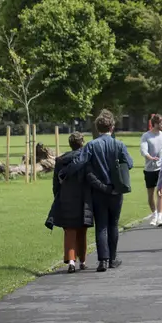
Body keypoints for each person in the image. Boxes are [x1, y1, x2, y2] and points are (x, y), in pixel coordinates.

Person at [64, 109, 133, 272]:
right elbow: (129, 163)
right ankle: (113, 258)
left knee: (101, 225)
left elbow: (79, 162)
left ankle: (103, 260)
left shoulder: (92, 145)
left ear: (97, 128)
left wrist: (65, 173)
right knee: (113, 225)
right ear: (112, 127)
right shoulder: (119, 144)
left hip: (98, 190)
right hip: (116, 190)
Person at [51, 132, 94, 273]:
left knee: (69, 230)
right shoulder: (86, 158)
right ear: (82, 143)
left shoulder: (60, 160)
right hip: (83, 198)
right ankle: (82, 260)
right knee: (82, 230)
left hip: (66, 197)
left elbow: (55, 184)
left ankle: (70, 261)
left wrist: (58, 196)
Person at [140, 114, 162, 227]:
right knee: (151, 194)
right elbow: (143, 150)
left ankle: (160, 218)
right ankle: (154, 214)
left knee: (161, 193)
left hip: (161, 169)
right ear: (156, 124)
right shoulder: (146, 136)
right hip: (149, 169)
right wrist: (150, 157)